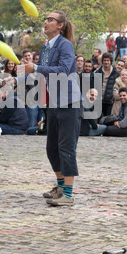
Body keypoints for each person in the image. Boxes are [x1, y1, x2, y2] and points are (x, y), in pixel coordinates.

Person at [22, 11, 82, 207]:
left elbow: (64, 70)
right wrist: (16, 78)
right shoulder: (46, 46)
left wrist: (36, 68)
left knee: (66, 148)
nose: (46, 22)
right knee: (52, 149)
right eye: (45, 19)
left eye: (50, 20)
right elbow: (42, 73)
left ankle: (68, 195)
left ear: (60, 25)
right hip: (54, 103)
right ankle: (60, 187)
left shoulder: (65, 45)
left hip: (70, 103)